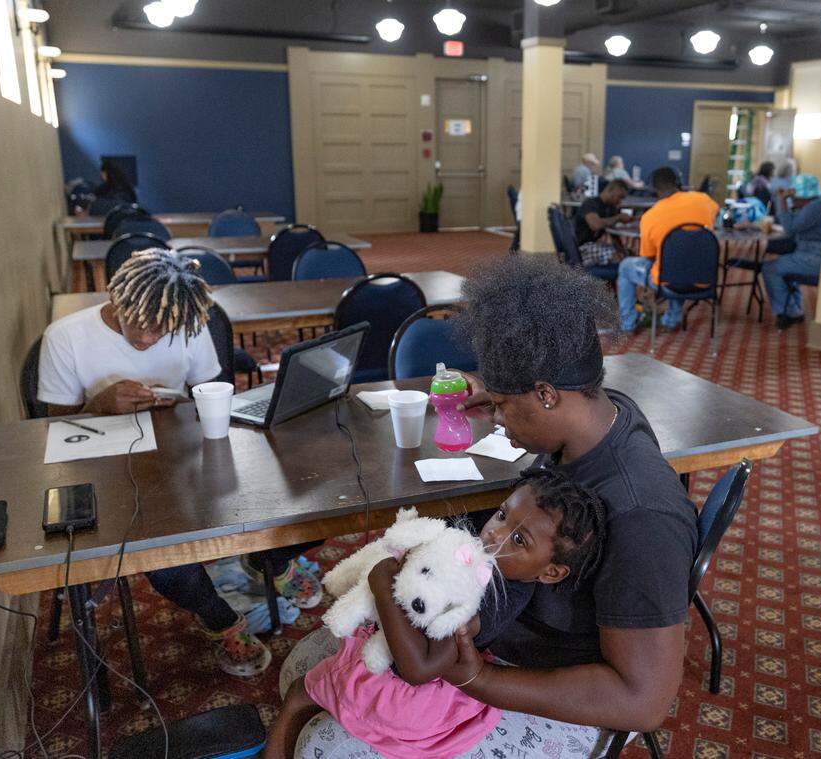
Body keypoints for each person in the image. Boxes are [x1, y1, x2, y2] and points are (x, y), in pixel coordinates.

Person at [276, 256, 697, 757]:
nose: (496, 418)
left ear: (546, 394)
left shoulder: (642, 516)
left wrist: (478, 679)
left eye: (502, 405)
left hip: (558, 691)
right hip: (503, 633)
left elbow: (642, 703)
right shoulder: (596, 414)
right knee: (304, 666)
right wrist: (496, 394)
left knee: (322, 745)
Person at [37, 249, 322, 677]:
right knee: (166, 554)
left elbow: (210, 390)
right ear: (117, 297)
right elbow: (50, 426)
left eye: (162, 329)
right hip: (110, 474)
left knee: (299, 496)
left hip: (180, 457)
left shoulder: (187, 323)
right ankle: (218, 617)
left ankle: (271, 560)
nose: (149, 338)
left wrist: (191, 403)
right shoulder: (66, 337)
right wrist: (97, 405)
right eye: (139, 324)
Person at [265, 470, 607, 759]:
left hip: (404, 695)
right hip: (391, 660)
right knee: (302, 695)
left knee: (300, 694)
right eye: (502, 515)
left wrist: (383, 581)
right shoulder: (476, 558)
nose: (495, 532)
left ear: (550, 573)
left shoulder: (495, 595)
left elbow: (419, 669)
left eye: (518, 539)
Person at [616, 166, 720, 332]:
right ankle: (671, 320)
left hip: (668, 281)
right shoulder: (703, 199)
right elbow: (717, 213)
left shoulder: (650, 217)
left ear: (654, 190)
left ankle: (628, 323)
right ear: (677, 183)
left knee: (626, 266)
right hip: (704, 278)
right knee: (683, 260)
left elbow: (648, 257)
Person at [761, 174, 821, 330]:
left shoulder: (815, 207)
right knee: (783, 265)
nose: (793, 200)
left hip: (814, 258)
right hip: (813, 254)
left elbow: (790, 228)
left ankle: (790, 312)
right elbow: (795, 222)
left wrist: (782, 201)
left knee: (770, 268)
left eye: (794, 197)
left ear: (804, 197)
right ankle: (794, 308)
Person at [573, 180, 628, 266]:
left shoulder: (611, 208)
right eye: (619, 197)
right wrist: (618, 218)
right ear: (610, 191)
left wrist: (622, 250)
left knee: (622, 255)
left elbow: (613, 234)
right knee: (615, 256)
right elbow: (595, 225)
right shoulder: (590, 203)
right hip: (581, 248)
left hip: (593, 245)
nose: (620, 202)